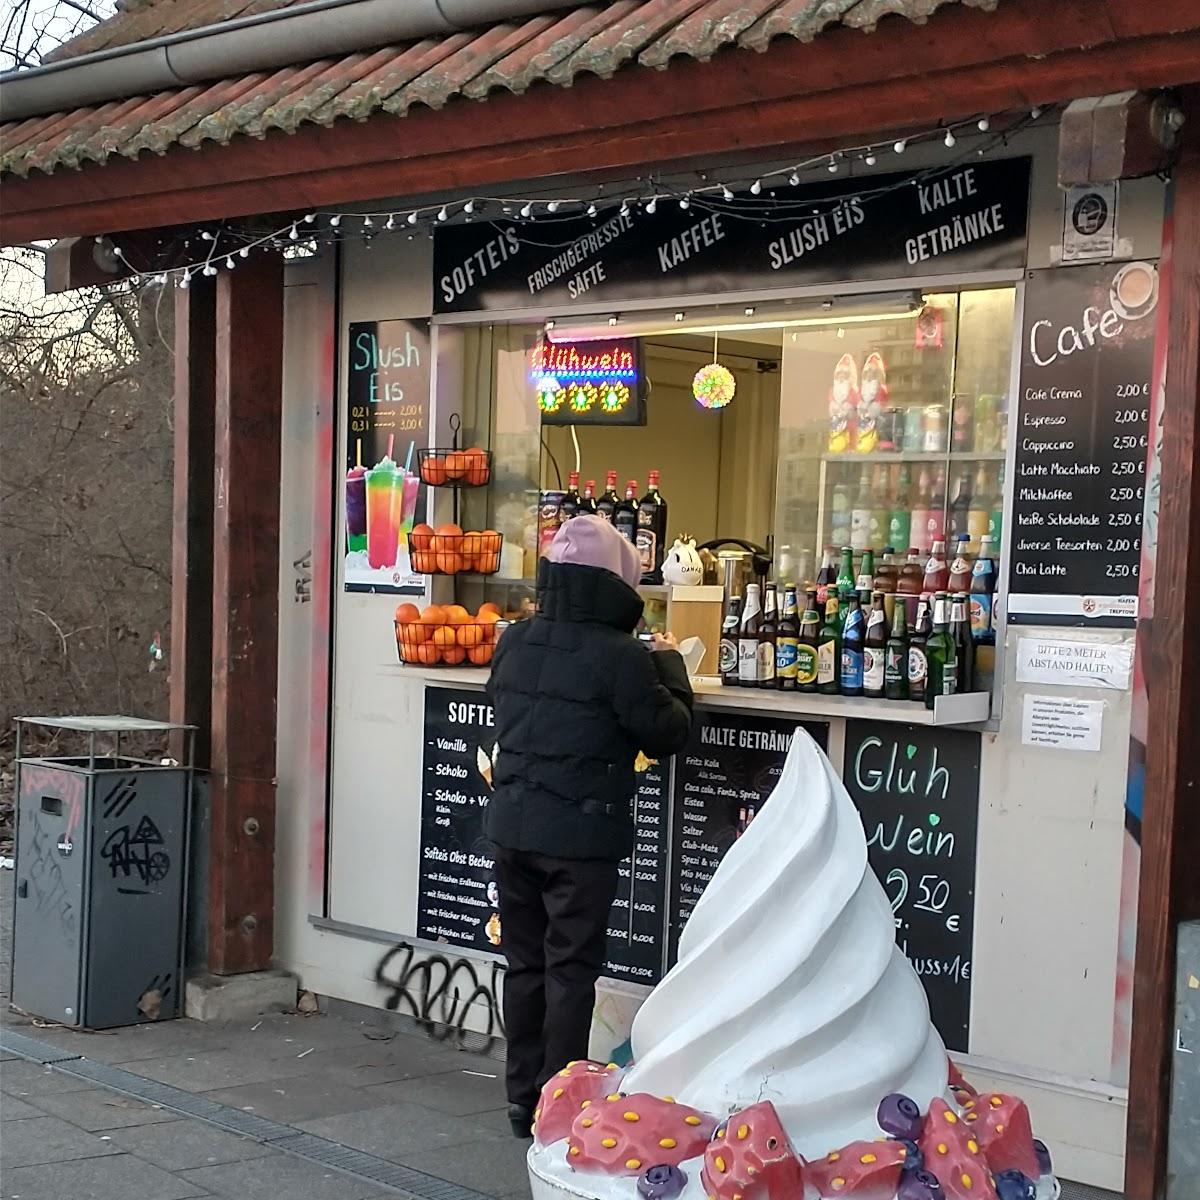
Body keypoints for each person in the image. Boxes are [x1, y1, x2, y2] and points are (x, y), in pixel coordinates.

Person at [485, 514, 694, 1137]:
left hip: (513, 827)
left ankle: (523, 1099)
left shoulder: (514, 640)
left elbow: (503, 704)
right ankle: (561, 1103)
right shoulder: (620, 656)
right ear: (616, 587)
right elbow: (666, 733)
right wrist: (673, 667)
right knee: (570, 968)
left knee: (524, 965)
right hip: (580, 837)